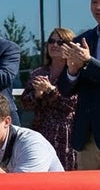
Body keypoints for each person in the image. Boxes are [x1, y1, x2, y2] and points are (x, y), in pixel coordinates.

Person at [57, 0, 100, 190]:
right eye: (93, 1)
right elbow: (67, 88)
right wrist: (73, 70)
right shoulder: (83, 40)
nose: (97, 7)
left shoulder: (86, 51)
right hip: (88, 138)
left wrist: (88, 63)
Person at [22, 27, 78, 170]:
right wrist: (37, 95)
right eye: (51, 41)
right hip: (43, 130)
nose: (54, 45)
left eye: (61, 42)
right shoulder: (39, 72)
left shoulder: (75, 72)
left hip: (67, 133)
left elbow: (72, 104)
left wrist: (51, 90)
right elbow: (25, 103)